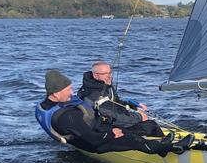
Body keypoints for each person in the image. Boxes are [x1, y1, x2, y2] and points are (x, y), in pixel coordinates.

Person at [36, 69, 194, 156]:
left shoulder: (45, 105)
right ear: (55, 93)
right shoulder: (68, 116)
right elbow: (93, 140)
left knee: (146, 126)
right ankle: (173, 149)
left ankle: (161, 146)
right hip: (95, 143)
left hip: (97, 129)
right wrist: (113, 133)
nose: (71, 93)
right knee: (133, 139)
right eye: (68, 90)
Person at [78, 61, 162, 137]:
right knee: (149, 126)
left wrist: (133, 107)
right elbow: (111, 114)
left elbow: (115, 102)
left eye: (110, 73)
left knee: (149, 124)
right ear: (95, 75)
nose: (109, 76)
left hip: (110, 121)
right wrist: (139, 117)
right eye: (105, 74)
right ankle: (162, 147)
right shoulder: (93, 94)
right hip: (101, 128)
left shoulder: (104, 85)